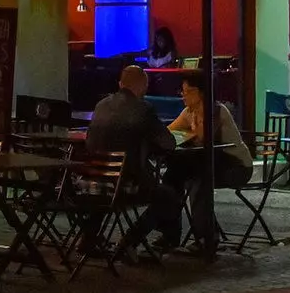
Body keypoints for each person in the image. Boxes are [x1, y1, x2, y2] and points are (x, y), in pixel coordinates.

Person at [85, 64, 181, 252]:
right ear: (142, 85)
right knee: (169, 196)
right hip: (126, 185)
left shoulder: (101, 105)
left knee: (105, 188)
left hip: (92, 181)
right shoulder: (143, 109)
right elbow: (168, 143)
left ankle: (88, 239)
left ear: (121, 83)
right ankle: (129, 242)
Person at [164, 70, 254, 252]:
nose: (183, 96)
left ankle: (206, 238)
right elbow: (168, 131)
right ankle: (170, 233)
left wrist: (189, 131)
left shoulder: (216, 111)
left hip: (236, 166)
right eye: (182, 91)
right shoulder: (188, 112)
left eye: (188, 91)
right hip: (210, 164)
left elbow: (204, 138)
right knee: (172, 177)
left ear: (202, 92)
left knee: (198, 181)